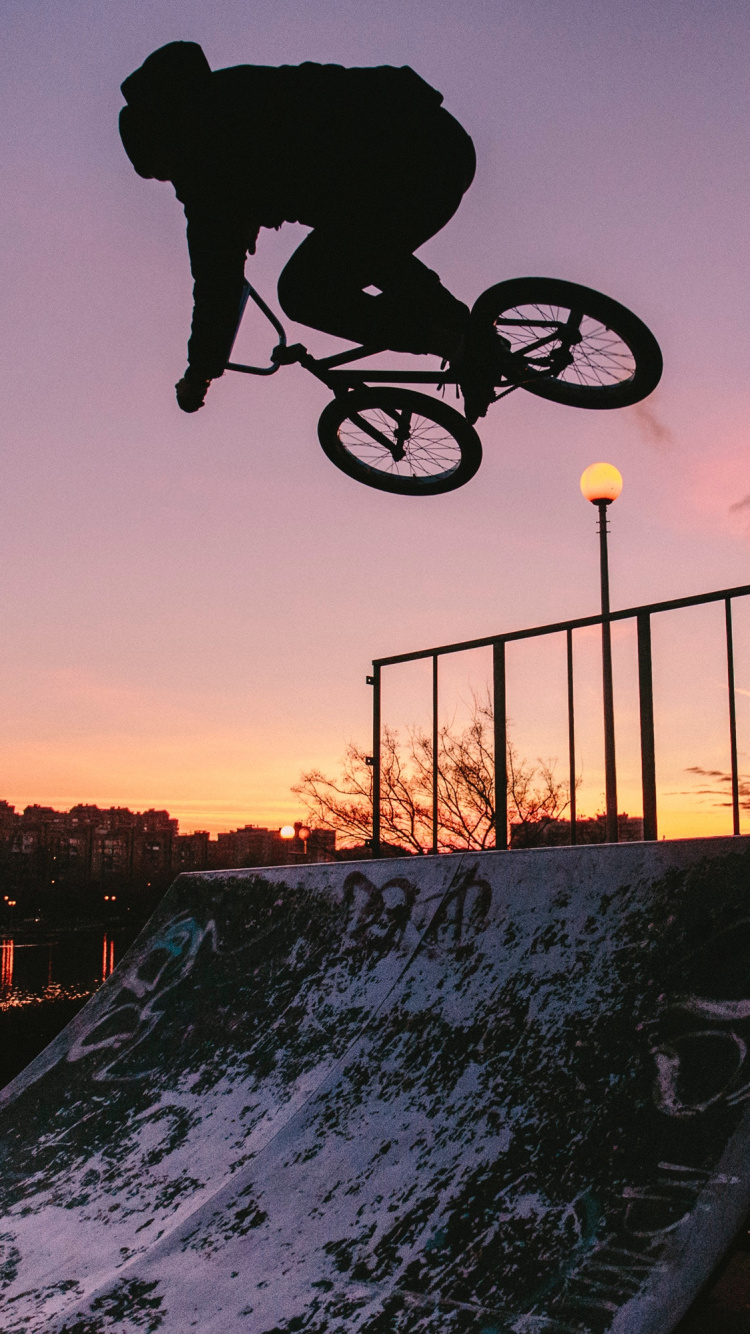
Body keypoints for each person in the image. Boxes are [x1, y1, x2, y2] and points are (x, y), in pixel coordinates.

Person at [119, 41, 496, 423]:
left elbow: (217, 284)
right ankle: (468, 334)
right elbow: (288, 147)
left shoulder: (207, 163)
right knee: (358, 246)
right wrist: (253, 211)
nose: (173, 181)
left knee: (304, 290)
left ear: (168, 141)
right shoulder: (232, 93)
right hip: (439, 142)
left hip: (407, 169)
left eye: (165, 172)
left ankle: (453, 340)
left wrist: (199, 374)